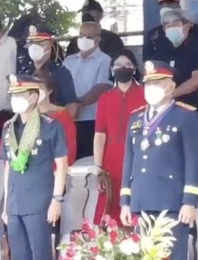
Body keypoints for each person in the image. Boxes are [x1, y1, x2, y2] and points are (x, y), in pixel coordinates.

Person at [120, 60, 198, 260]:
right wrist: (125, 202)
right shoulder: (136, 118)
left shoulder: (184, 115)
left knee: (171, 255)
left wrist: (189, 202)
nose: (151, 89)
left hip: (172, 202)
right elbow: (129, 161)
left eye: (157, 84)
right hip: (142, 201)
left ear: (171, 86)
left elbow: (194, 162)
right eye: (148, 84)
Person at [0, 74, 68, 260]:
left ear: (33, 97)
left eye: (19, 95)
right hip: (15, 202)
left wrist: (56, 200)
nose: (15, 100)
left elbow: (62, 165)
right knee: (19, 255)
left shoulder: (51, 126)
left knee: (40, 253)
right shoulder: (8, 127)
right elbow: (7, 168)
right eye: (12, 95)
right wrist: (6, 205)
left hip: (39, 202)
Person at [93, 50, 145, 225]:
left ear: (135, 68)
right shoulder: (105, 99)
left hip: (139, 159)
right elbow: (99, 137)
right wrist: (98, 169)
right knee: (109, 210)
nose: (123, 68)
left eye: (128, 65)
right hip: (111, 163)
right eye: (118, 65)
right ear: (112, 69)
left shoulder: (146, 94)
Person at [144, 9, 198, 123]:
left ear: (187, 25)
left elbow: (197, 80)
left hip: (188, 111)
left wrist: (169, 96)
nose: (171, 28)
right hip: (163, 113)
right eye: (167, 26)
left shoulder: (197, 48)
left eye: (175, 24)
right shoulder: (162, 50)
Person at [64, 22, 112, 159]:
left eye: (89, 36)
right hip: (68, 119)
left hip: (91, 120)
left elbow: (102, 87)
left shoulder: (105, 60)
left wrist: (79, 104)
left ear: (98, 39)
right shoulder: (69, 60)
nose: (84, 39)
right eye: (81, 35)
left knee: (88, 160)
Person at [26, 25, 78, 120]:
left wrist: (57, 126)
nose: (34, 46)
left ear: (50, 45)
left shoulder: (60, 73)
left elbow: (72, 109)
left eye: (40, 42)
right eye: (32, 43)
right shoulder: (25, 72)